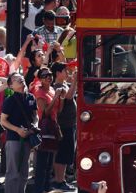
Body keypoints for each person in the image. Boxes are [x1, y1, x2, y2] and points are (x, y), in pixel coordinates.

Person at [0, 72, 38, 193]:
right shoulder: (9, 100)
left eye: (20, 77)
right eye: (16, 79)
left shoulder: (31, 97)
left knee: (24, 173)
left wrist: (34, 127)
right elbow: (3, 121)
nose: (20, 79)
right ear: (11, 86)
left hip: (27, 138)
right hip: (13, 139)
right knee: (12, 173)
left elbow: (35, 116)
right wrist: (17, 130)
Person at [50, 62, 77, 191]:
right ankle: (58, 180)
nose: (67, 73)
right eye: (64, 71)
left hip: (70, 124)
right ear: (57, 73)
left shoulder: (65, 84)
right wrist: (76, 80)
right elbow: (69, 96)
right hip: (63, 125)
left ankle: (62, 179)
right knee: (62, 154)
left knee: (66, 154)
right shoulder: (57, 86)